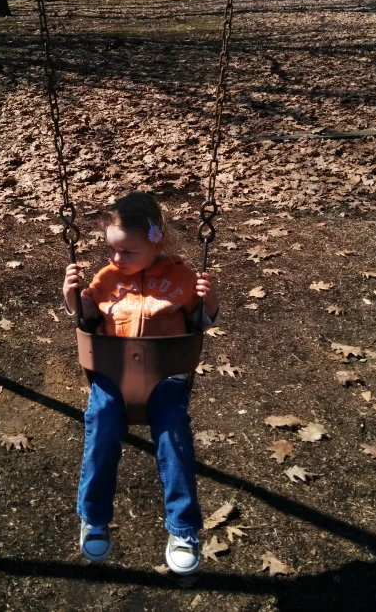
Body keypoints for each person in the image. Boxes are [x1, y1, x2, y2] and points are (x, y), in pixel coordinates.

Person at [63, 191, 219, 575]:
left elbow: (202, 321)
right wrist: (72, 295)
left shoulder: (182, 278)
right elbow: (87, 316)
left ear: (156, 242)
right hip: (114, 374)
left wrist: (209, 301)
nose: (117, 259)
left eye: (128, 252)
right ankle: (94, 518)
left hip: (166, 377)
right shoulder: (106, 278)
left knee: (173, 435)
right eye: (112, 250)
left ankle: (183, 528)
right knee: (100, 424)